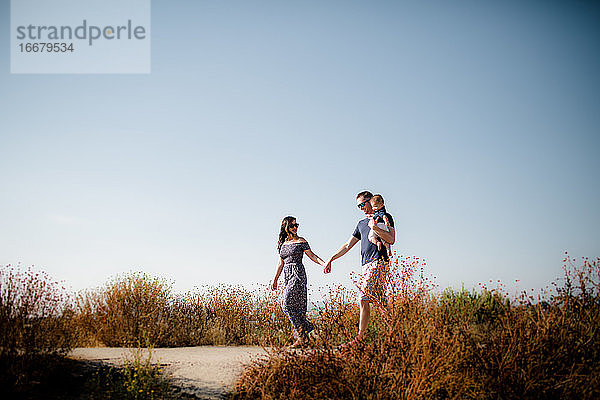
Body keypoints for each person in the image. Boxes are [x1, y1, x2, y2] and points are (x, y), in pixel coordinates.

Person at [324, 191, 395, 343]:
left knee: (363, 299)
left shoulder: (385, 217)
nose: (362, 208)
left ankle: (359, 338)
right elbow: (347, 245)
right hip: (366, 264)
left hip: (379, 261)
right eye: (359, 206)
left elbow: (392, 239)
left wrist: (375, 228)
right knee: (380, 300)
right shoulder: (361, 224)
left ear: (371, 201)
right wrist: (331, 258)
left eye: (363, 204)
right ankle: (394, 334)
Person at [272, 216, 326, 347]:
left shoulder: (301, 241)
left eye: (297, 225)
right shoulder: (283, 244)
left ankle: (304, 333)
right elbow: (281, 263)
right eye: (292, 226)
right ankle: (303, 338)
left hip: (298, 274)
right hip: (287, 275)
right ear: (286, 227)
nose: (295, 228)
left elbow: (312, 255)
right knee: (296, 307)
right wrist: (275, 279)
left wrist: (324, 264)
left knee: (286, 305)